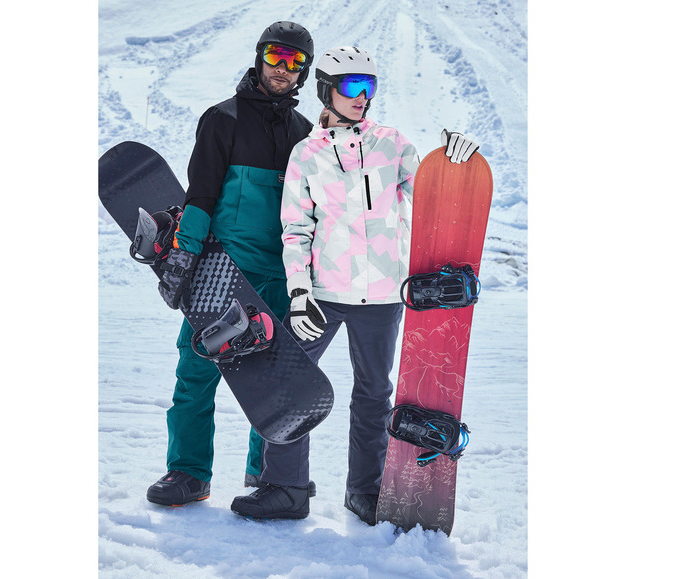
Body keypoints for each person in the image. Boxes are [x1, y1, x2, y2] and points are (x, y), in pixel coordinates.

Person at [230, 46, 479, 524]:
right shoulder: (306, 154)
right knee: (290, 385)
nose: (363, 96)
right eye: (352, 86)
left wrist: (452, 160)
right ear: (326, 90)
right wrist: (299, 292)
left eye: (370, 86)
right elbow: (296, 230)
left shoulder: (392, 144)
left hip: (382, 295)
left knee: (373, 394)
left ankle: (364, 491)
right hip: (322, 295)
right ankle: (286, 489)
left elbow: (430, 191)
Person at [146, 22, 315, 507]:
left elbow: (315, 211)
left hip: (282, 274)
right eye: (275, 56)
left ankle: (268, 475)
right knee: (196, 373)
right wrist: (184, 255)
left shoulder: (306, 135)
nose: (283, 69)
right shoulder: (223, 119)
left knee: (275, 380)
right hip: (223, 271)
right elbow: (200, 195)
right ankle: (188, 471)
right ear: (260, 58)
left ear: (304, 72)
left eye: (294, 62)